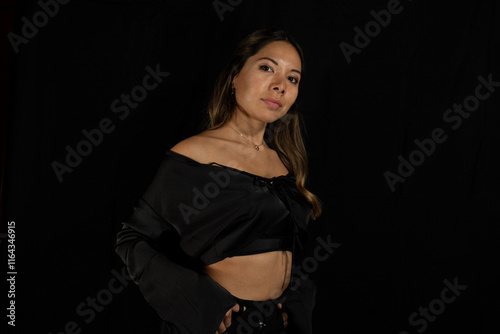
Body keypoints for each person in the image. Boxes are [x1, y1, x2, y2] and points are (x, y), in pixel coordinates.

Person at [114, 28, 322, 334]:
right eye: (267, 68)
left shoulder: (285, 160)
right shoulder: (195, 153)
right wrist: (200, 303)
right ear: (235, 77)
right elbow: (132, 239)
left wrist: (295, 299)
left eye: (293, 78)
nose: (280, 86)